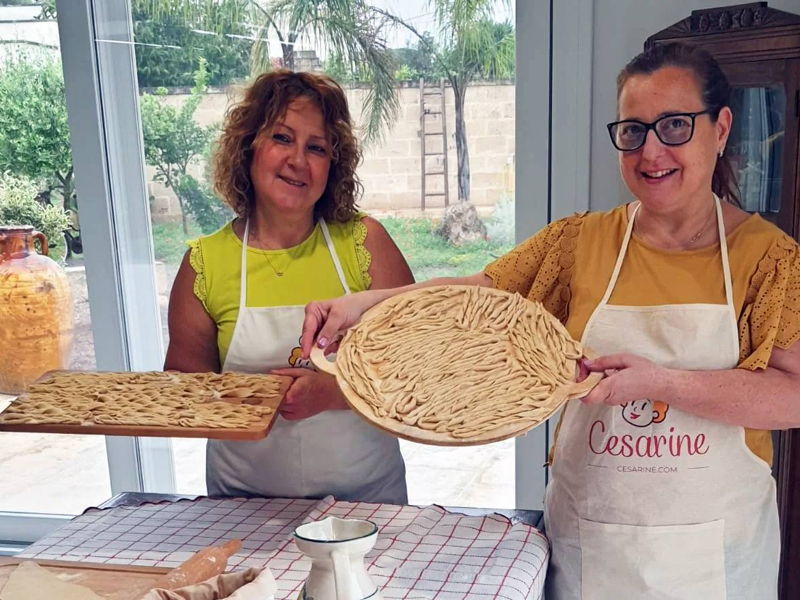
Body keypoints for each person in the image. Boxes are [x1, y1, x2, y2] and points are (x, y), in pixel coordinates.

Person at [300, 43, 800, 598]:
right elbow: (477, 294)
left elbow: (794, 396)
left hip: (717, 559)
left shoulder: (769, 258)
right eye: (633, 131)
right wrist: (367, 304)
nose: (651, 151)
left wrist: (662, 384)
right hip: (595, 543)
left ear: (721, 128)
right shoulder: (578, 241)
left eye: (675, 126)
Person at [165, 70, 414, 504]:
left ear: (333, 165)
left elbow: (415, 367)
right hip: (242, 506)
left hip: (366, 503)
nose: (298, 160)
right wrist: (245, 398)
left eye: (316, 147)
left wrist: (335, 392)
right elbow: (183, 389)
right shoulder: (205, 265)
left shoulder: (365, 244)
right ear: (248, 147)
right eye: (282, 138)